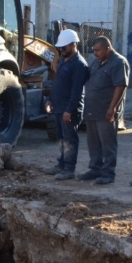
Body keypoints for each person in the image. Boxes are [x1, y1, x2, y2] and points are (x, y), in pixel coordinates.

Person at [78, 37, 129, 185]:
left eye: (97, 50)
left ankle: (108, 173)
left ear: (108, 48)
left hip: (106, 110)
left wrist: (112, 108)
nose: (95, 53)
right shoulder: (96, 62)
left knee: (108, 143)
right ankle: (95, 168)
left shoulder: (118, 62)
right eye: (93, 50)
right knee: (93, 142)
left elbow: (121, 86)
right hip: (92, 110)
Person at [46, 29, 89, 181]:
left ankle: (69, 169)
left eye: (64, 47)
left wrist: (70, 110)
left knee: (70, 139)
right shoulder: (64, 60)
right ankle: (61, 164)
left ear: (74, 45)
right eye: (60, 48)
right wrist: (51, 99)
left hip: (69, 110)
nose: (61, 50)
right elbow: (57, 83)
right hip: (59, 107)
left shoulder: (79, 65)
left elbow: (76, 91)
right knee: (61, 138)